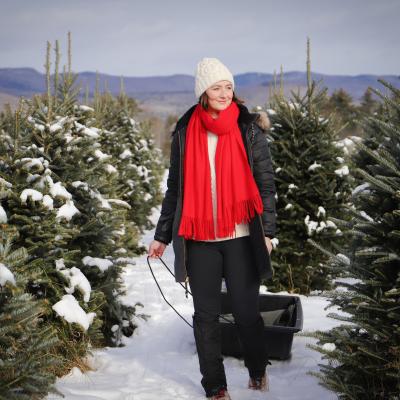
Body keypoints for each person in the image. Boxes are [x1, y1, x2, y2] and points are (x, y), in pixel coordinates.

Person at [148, 57, 276, 400]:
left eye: (228, 86)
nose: (224, 93)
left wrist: (268, 232)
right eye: (217, 87)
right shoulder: (187, 130)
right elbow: (175, 187)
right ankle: (215, 387)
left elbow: (265, 184)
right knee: (205, 317)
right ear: (203, 91)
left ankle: (257, 368)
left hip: (241, 236)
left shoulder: (248, 128)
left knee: (247, 311)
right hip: (200, 238)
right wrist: (162, 236)